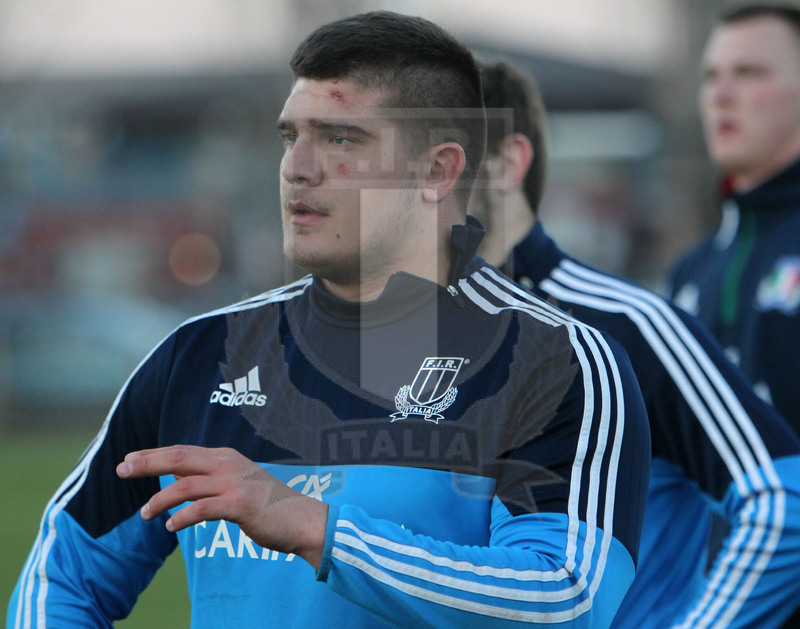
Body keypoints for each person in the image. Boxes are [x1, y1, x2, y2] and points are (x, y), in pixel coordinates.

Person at [7, 12, 651, 629]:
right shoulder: (199, 356)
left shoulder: (555, 363)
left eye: (341, 138)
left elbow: (566, 599)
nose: (298, 167)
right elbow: (60, 575)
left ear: (438, 171)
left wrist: (318, 530)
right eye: (292, 137)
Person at [469, 57, 800, 628]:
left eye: (433, 155)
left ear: (506, 163)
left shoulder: (625, 324)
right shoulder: (394, 334)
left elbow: (782, 501)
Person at [669, 6, 800, 624]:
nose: (721, 94)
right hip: (716, 597)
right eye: (710, 75)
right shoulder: (691, 270)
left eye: (749, 72)